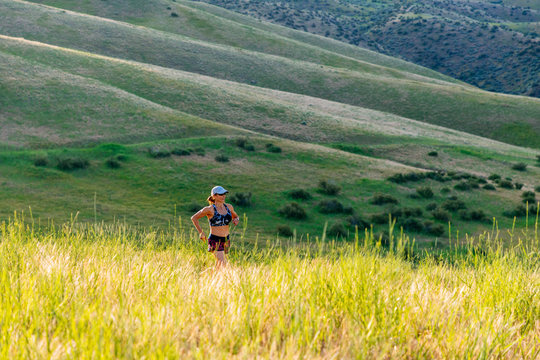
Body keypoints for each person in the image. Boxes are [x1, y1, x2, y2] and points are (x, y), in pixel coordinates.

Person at [191, 186, 240, 269]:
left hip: (226, 240)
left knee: (219, 266)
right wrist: (201, 232)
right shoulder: (209, 209)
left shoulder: (229, 207)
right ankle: (205, 276)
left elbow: (236, 216)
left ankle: (206, 278)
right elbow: (194, 218)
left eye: (224, 194)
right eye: (221, 194)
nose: (223, 196)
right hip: (215, 240)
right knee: (223, 264)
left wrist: (236, 219)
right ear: (214, 196)